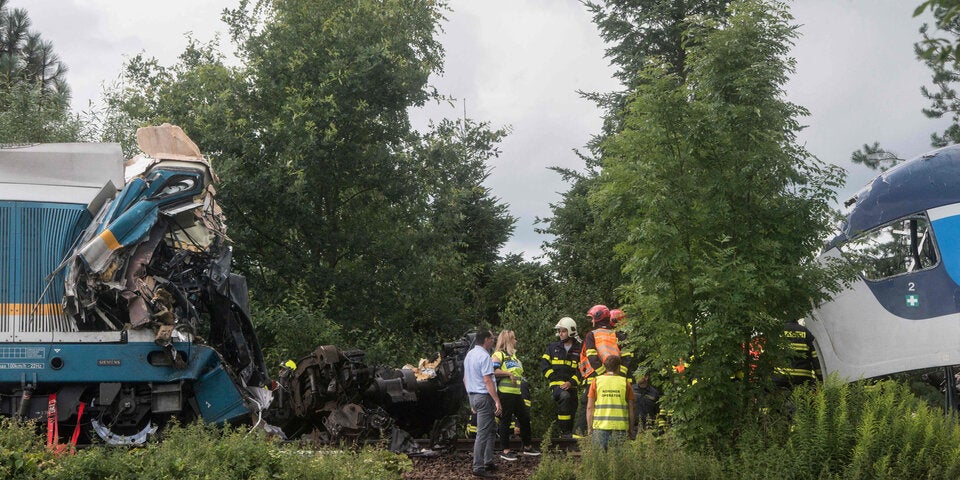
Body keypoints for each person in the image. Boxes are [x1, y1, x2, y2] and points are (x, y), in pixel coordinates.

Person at [575, 305, 634, 435]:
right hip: (616, 377)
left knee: (589, 405)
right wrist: (620, 374)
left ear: (597, 317)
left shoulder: (592, 334)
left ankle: (582, 436)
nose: (591, 321)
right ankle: (623, 432)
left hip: (597, 376)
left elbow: (591, 355)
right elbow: (627, 357)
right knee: (618, 404)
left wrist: (603, 374)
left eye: (592, 318)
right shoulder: (618, 334)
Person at [491, 330, 539, 460]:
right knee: (505, 420)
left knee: (524, 418)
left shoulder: (514, 357)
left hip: (517, 393)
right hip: (505, 393)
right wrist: (508, 374)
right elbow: (493, 370)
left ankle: (527, 446)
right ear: (508, 340)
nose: (516, 341)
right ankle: (505, 450)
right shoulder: (498, 355)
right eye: (514, 339)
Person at [464, 329, 502, 478]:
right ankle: (478, 466)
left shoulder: (470, 355)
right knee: (483, 432)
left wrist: (470, 400)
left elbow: (465, 379)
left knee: (492, 429)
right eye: (492, 339)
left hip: (473, 395)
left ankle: (488, 461)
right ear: (486, 339)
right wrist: (497, 400)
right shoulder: (485, 356)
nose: (493, 341)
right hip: (484, 397)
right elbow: (487, 380)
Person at [540, 316, 582, 437]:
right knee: (564, 397)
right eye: (559, 331)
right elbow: (544, 365)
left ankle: (568, 436)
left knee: (572, 408)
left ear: (571, 331)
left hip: (572, 386)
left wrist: (571, 383)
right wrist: (554, 378)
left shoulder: (579, 349)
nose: (560, 334)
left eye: (563, 331)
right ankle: (564, 433)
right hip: (557, 386)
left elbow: (581, 370)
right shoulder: (553, 347)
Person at [586, 355, 635, 450]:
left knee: (599, 462)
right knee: (619, 463)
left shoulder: (596, 381)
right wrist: (631, 429)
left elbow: (589, 408)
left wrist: (589, 428)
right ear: (619, 367)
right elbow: (631, 408)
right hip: (620, 429)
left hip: (600, 428)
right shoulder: (625, 382)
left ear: (605, 367)